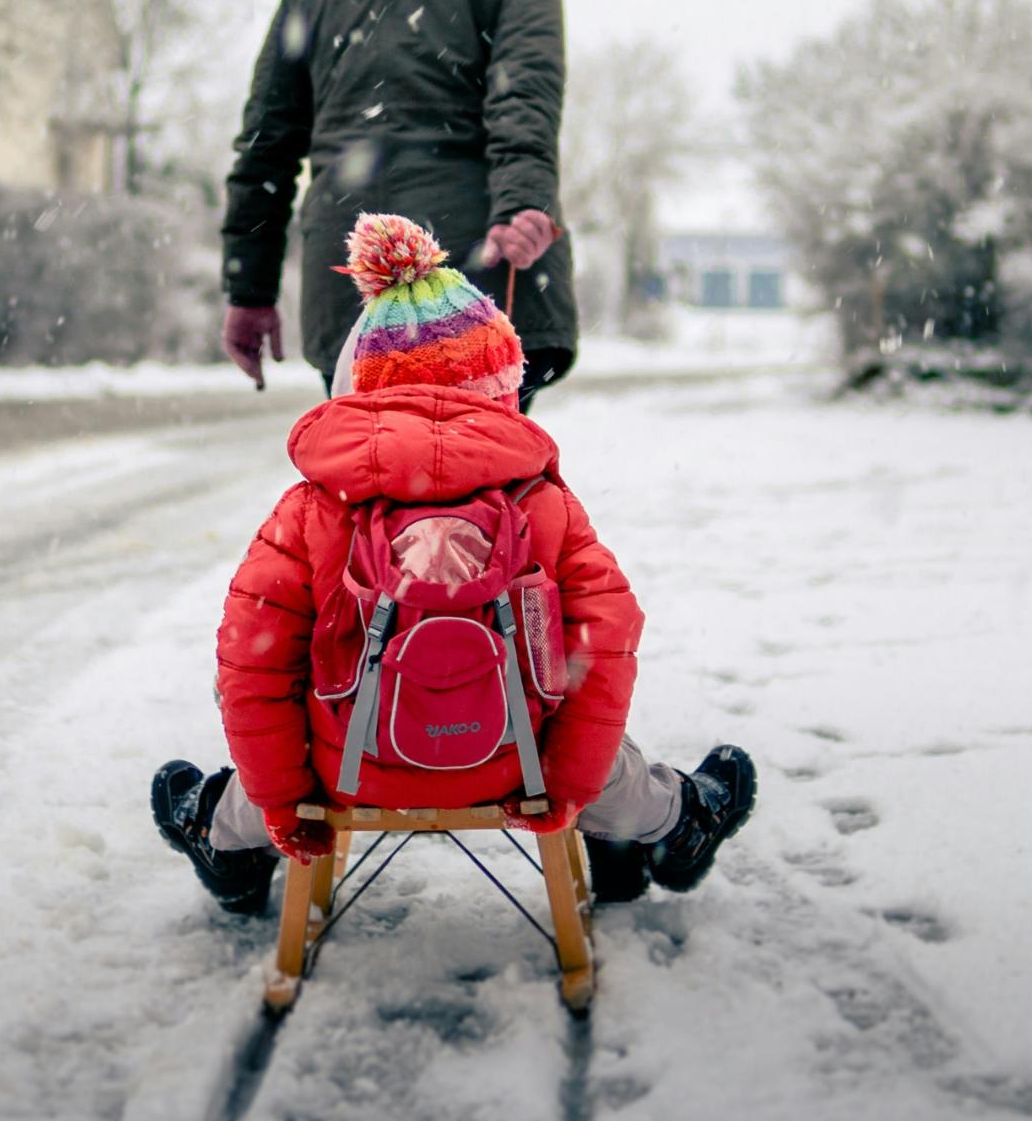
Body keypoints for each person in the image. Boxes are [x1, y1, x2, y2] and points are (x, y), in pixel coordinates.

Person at [155, 213, 753, 914]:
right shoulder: (544, 506)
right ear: (503, 385)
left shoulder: (312, 509)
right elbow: (607, 641)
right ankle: (676, 822)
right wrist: (564, 785)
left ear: (363, 384)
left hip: (347, 775)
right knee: (603, 750)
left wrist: (286, 804)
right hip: (514, 767)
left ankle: (225, 840)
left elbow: (251, 664)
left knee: (277, 729)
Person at [220, 0, 577, 411]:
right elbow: (525, 96)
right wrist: (523, 202)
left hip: (352, 268)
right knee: (484, 482)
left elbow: (266, 145)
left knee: (363, 478)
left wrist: (249, 290)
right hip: (475, 264)